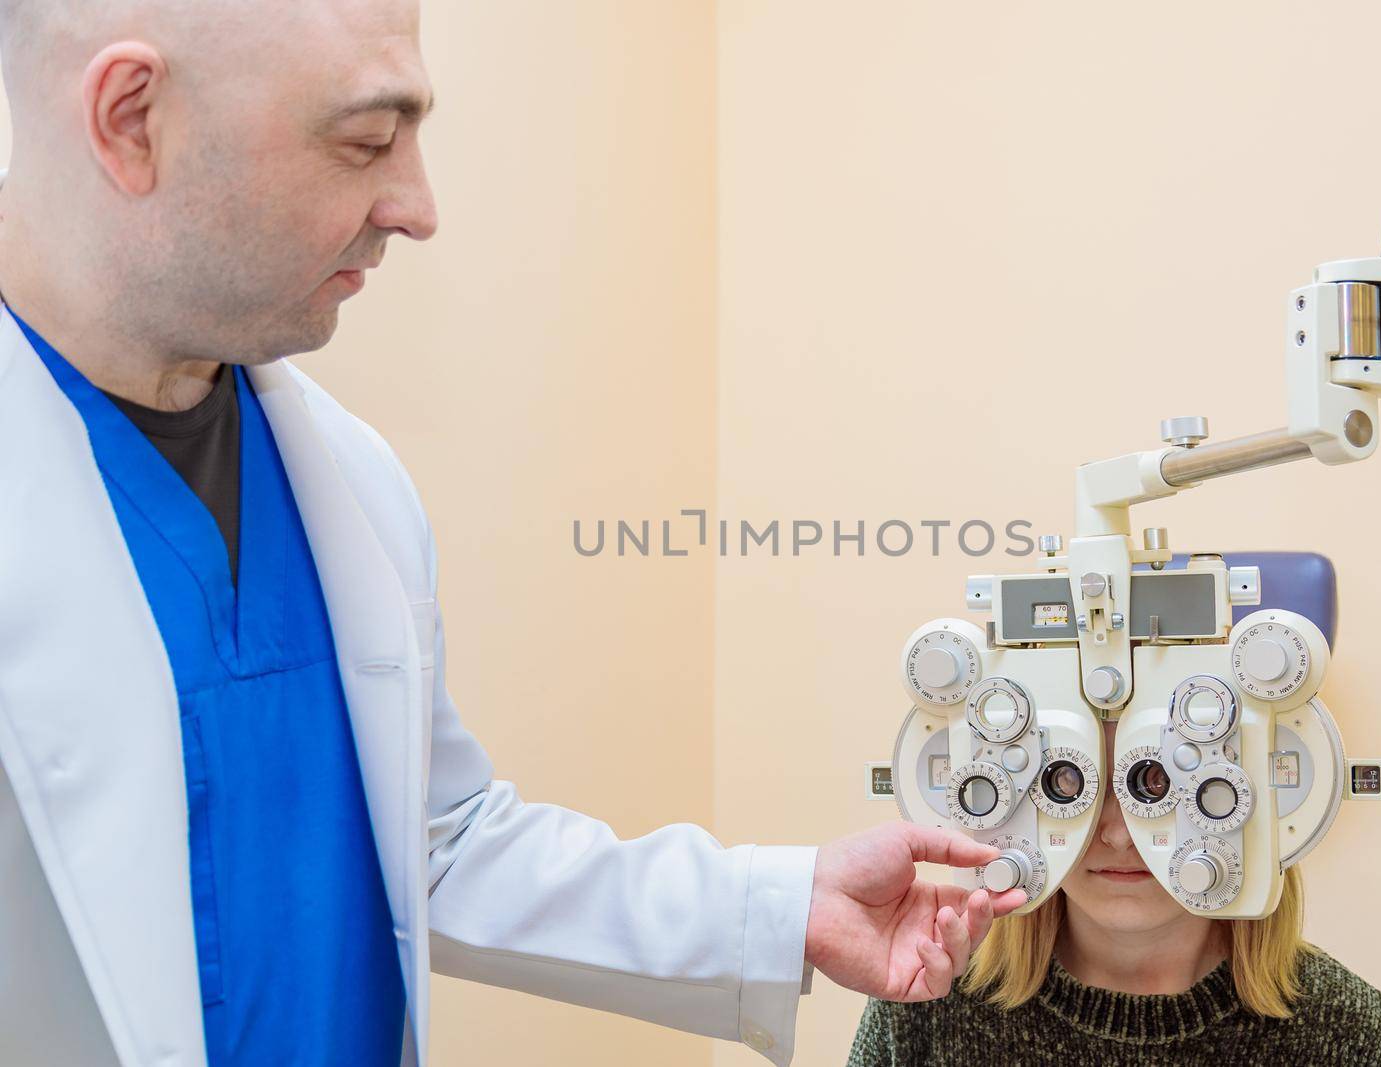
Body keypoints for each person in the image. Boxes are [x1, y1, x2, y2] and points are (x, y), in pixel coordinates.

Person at [0, 2, 1026, 1065]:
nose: (416, 205)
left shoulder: (345, 478)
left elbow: (433, 842)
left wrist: (782, 902)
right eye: (363, 141)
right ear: (131, 118)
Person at [847, 723, 1381, 1066]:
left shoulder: (1347, 1033)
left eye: (1157, 786)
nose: (1118, 834)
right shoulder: (933, 1000)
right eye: (1070, 785)